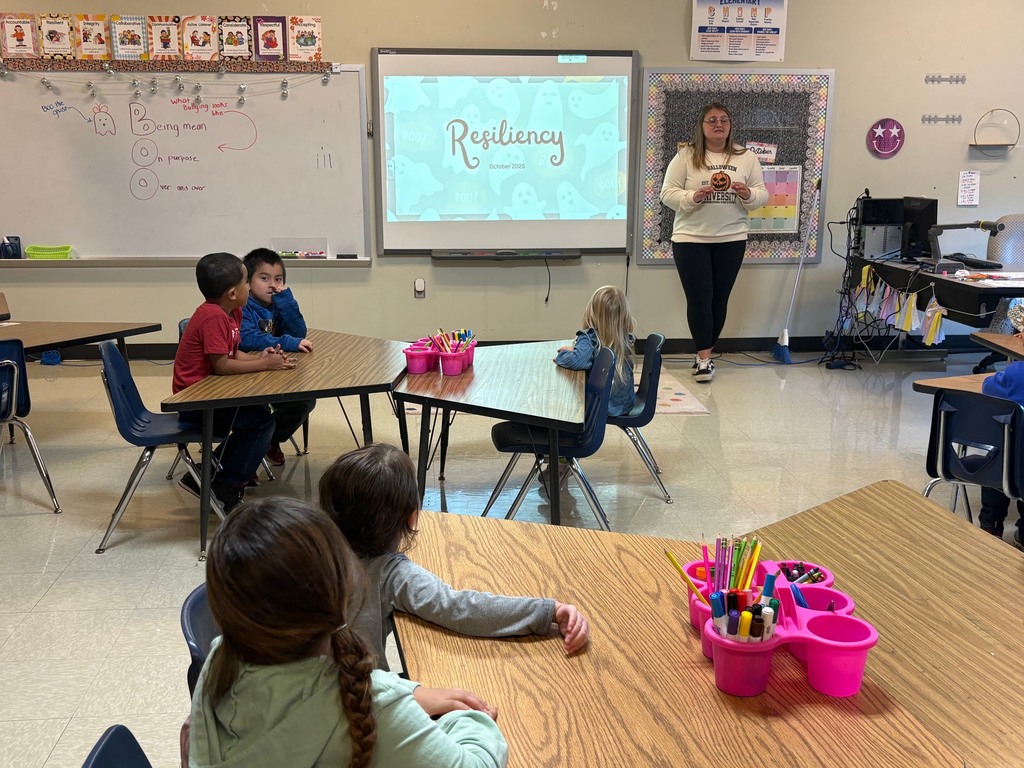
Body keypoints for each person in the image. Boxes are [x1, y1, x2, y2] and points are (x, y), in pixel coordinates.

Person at [185, 497, 508, 768]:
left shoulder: (220, 659)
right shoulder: (376, 710)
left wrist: (406, 694)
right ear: (343, 593)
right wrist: (471, 722)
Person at [317, 443, 590, 670]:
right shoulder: (391, 574)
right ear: (412, 518)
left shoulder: (310, 554)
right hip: (358, 700)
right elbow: (461, 608)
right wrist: (547, 611)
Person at [173, 252, 296, 512]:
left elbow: (232, 353)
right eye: (245, 282)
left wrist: (261, 358)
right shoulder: (213, 317)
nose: (249, 287)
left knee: (259, 415)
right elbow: (222, 366)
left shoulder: (233, 311)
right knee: (261, 421)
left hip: (213, 393)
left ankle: (205, 473)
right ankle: (226, 485)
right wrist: (265, 365)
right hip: (195, 401)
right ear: (232, 293)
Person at [659, 102, 768, 383]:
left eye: (724, 120)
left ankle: (705, 353)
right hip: (690, 239)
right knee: (699, 298)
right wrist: (692, 197)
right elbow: (667, 193)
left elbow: (761, 194)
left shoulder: (746, 157)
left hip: (731, 238)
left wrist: (748, 194)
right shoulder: (686, 156)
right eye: (712, 120)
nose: (718, 124)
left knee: (719, 299)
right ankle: (704, 358)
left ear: (730, 125)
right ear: (702, 126)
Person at [240, 247, 316, 466]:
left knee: (305, 400)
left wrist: (286, 300)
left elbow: (298, 332)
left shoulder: (278, 304)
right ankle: (250, 447)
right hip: (246, 375)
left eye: (278, 279)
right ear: (247, 282)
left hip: (274, 371)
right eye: (264, 278)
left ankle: (270, 440)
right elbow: (247, 339)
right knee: (257, 410)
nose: (272, 285)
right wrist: (288, 342)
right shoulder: (242, 306)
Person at [554, 284, 636, 417]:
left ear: (591, 312)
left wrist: (562, 355)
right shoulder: (626, 339)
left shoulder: (590, 338)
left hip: (600, 406)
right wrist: (577, 350)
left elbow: (577, 361)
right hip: (624, 405)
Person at [979, 360, 1024, 548]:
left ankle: (990, 524)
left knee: (1001, 454)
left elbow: (987, 387)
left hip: (1011, 468)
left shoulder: (1017, 373)